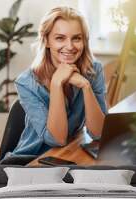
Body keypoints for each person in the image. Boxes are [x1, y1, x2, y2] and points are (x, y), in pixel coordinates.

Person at [10, 6, 107, 157]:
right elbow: (58, 140)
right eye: (60, 38)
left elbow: (99, 133)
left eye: (76, 38)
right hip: (30, 160)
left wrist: (86, 86)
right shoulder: (26, 83)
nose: (70, 46)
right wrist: (56, 83)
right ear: (47, 40)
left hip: (65, 154)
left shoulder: (93, 71)